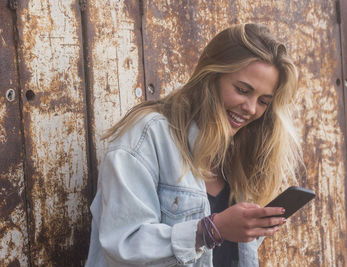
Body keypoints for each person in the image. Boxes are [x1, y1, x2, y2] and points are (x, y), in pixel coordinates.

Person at [85, 23, 302, 267]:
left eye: (263, 101)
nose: (251, 109)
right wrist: (210, 230)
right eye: (242, 90)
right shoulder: (149, 135)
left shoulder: (239, 156)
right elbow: (123, 244)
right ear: (211, 77)